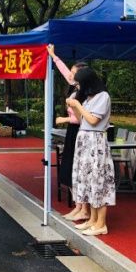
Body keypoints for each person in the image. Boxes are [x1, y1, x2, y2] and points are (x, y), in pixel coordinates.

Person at [67, 67, 115, 236]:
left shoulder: (103, 96)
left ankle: (101, 223)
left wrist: (78, 105)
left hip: (95, 141)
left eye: (79, 84)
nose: (78, 87)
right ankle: (92, 220)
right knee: (88, 181)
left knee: (98, 180)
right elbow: (82, 120)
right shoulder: (89, 98)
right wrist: (75, 106)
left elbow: (93, 120)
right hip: (85, 140)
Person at [46, 44, 89, 221]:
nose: (70, 75)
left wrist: (64, 119)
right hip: (72, 132)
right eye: (71, 72)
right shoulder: (75, 88)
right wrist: (53, 56)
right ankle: (78, 206)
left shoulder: (85, 93)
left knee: (77, 168)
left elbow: (82, 118)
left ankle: (83, 208)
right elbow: (64, 71)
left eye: (74, 73)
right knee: (71, 168)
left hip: (80, 131)